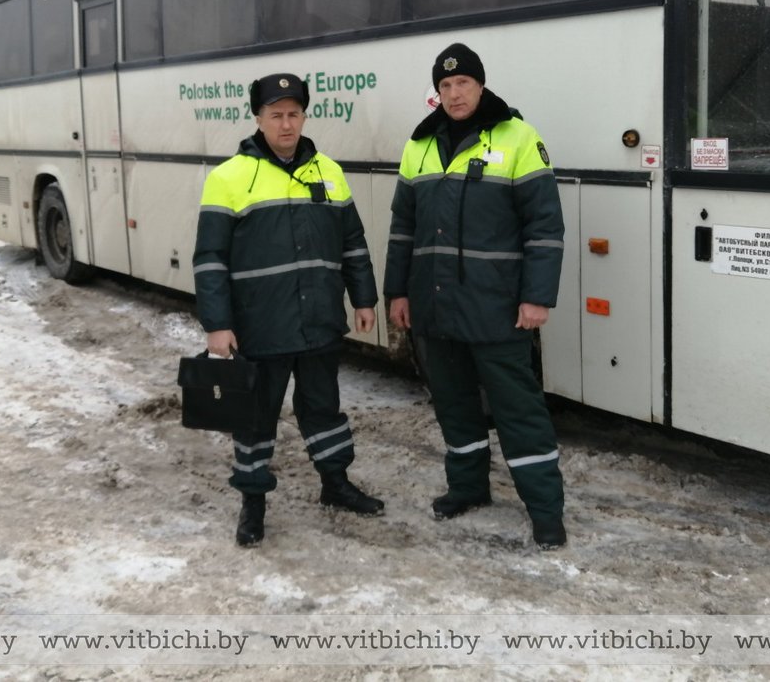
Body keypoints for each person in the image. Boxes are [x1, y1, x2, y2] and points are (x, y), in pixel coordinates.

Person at [384, 43, 568, 550]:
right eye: (444, 86)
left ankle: (546, 511)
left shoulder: (517, 137)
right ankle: (468, 489)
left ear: (480, 86)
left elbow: (544, 226)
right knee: (453, 404)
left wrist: (537, 297)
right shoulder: (418, 145)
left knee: (518, 410)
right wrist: (396, 292)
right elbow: (402, 229)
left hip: (497, 308)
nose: (454, 93)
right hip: (434, 306)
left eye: (462, 83)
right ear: (437, 93)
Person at [193, 73, 384, 547]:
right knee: (256, 418)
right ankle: (252, 504)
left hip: (319, 322)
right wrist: (217, 325)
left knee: (324, 409)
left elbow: (353, 244)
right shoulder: (227, 178)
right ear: (258, 118)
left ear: (304, 116)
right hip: (260, 327)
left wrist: (364, 298)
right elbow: (209, 259)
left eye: (293, 114)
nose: (286, 124)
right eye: (276, 114)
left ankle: (335, 485)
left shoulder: (329, 173)